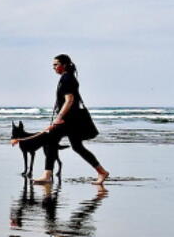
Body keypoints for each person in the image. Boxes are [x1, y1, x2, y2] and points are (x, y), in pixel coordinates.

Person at [12, 55, 109, 185]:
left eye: (56, 64)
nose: (54, 67)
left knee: (50, 139)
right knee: (77, 147)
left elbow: (70, 100)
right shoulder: (67, 77)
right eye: (53, 65)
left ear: (65, 64)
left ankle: (47, 174)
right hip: (72, 119)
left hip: (68, 120)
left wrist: (59, 118)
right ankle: (102, 172)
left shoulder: (67, 78)